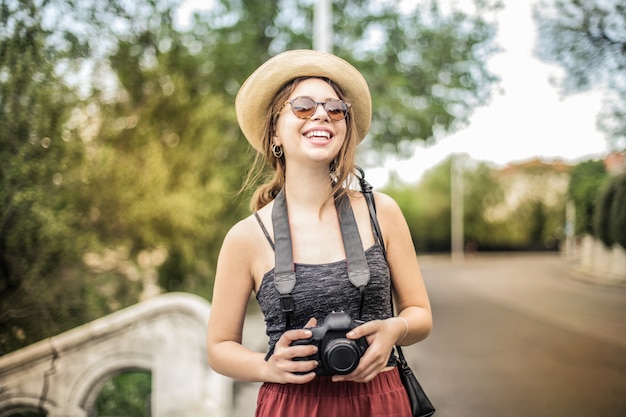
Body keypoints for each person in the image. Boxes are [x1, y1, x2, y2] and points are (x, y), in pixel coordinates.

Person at [207, 49, 432, 417]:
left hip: (382, 399)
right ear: (275, 131)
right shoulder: (246, 237)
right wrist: (268, 367)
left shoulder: (381, 212)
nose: (322, 114)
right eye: (303, 106)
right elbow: (218, 347)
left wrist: (395, 329)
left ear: (344, 127)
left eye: (335, 108)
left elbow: (420, 313)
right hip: (293, 405)